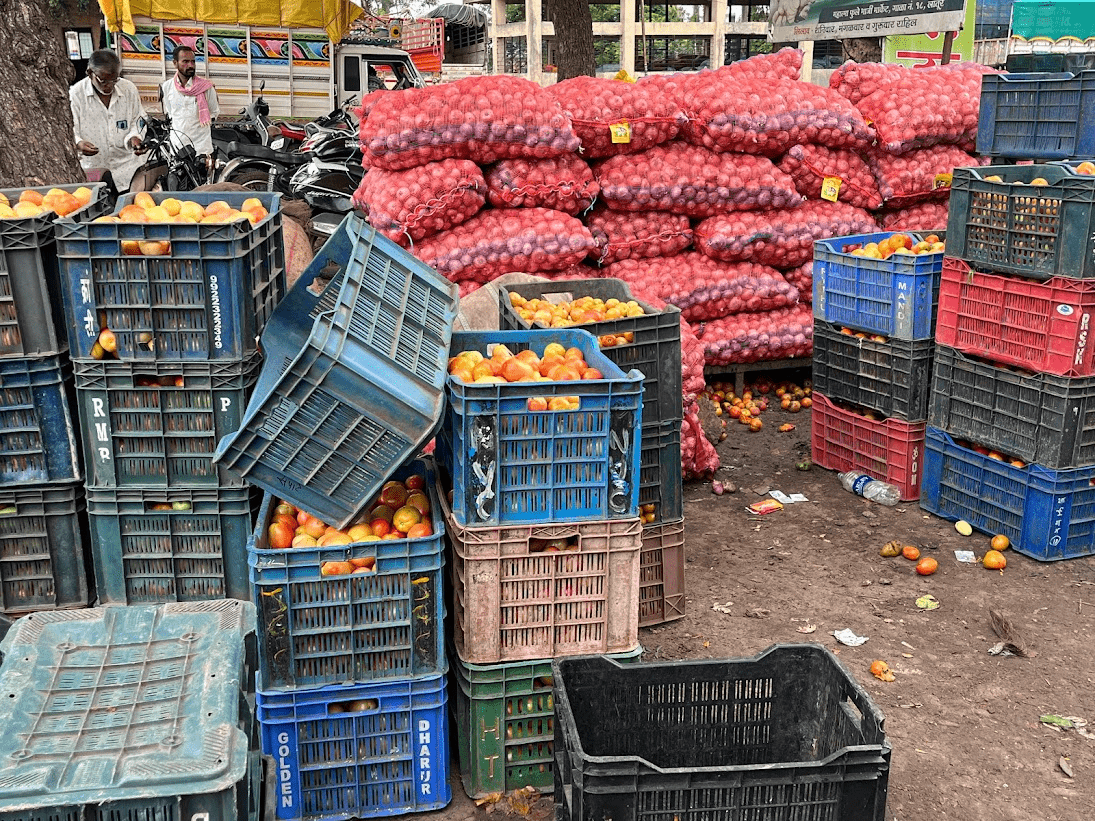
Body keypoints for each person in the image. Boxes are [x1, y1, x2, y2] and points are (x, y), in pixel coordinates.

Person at [70, 49, 146, 193]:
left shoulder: (129, 89)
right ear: (90, 73)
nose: (109, 85)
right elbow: (70, 130)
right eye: (103, 80)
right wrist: (79, 143)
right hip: (95, 172)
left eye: (114, 80)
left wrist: (134, 138)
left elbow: (138, 119)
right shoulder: (76, 95)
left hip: (128, 171)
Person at [161, 45, 219, 163]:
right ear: (175, 63)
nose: (191, 65)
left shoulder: (206, 88)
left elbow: (214, 112)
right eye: (185, 61)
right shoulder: (167, 87)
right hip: (178, 149)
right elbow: (170, 113)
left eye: (193, 61)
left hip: (202, 150)